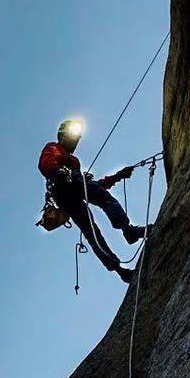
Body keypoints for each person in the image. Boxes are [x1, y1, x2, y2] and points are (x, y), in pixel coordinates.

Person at [38, 118, 146, 283]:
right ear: (63, 135)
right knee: (94, 225)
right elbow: (46, 163)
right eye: (72, 136)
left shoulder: (73, 164)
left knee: (92, 227)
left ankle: (123, 258)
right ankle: (126, 242)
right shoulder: (54, 148)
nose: (75, 141)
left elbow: (95, 186)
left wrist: (118, 176)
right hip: (65, 189)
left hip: (69, 192)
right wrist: (57, 171)